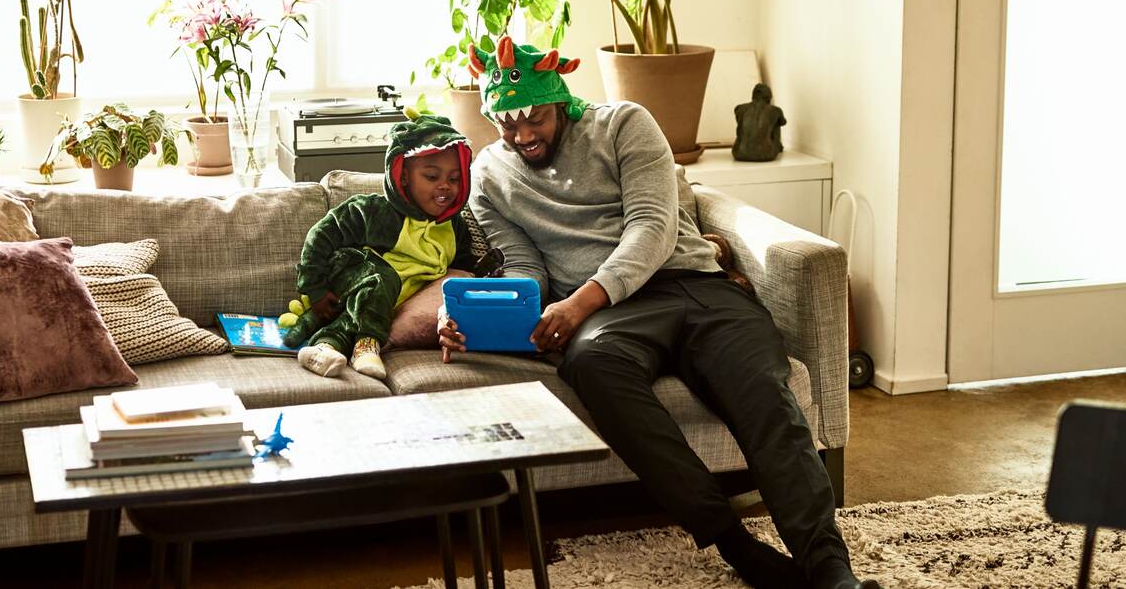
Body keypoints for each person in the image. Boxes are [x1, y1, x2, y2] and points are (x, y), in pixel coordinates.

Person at [439, 37, 878, 589]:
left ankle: (832, 572)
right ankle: (736, 546)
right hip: (610, 319)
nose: (522, 136)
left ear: (560, 101)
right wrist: (498, 315)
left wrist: (581, 301)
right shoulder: (491, 175)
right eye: (506, 124)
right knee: (592, 364)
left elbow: (653, 226)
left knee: (768, 399)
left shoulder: (624, 123)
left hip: (694, 285)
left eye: (536, 119)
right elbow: (525, 269)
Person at [281, 113, 478, 380]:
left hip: (386, 304)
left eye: (454, 179)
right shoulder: (376, 211)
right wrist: (314, 288)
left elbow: (462, 271)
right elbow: (322, 234)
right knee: (381, 278)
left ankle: (324, 347)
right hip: (352, 276)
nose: (445, 185)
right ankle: (366, 345)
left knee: (374, 300)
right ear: (404, 176)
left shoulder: (456, 228)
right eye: (432, 176)